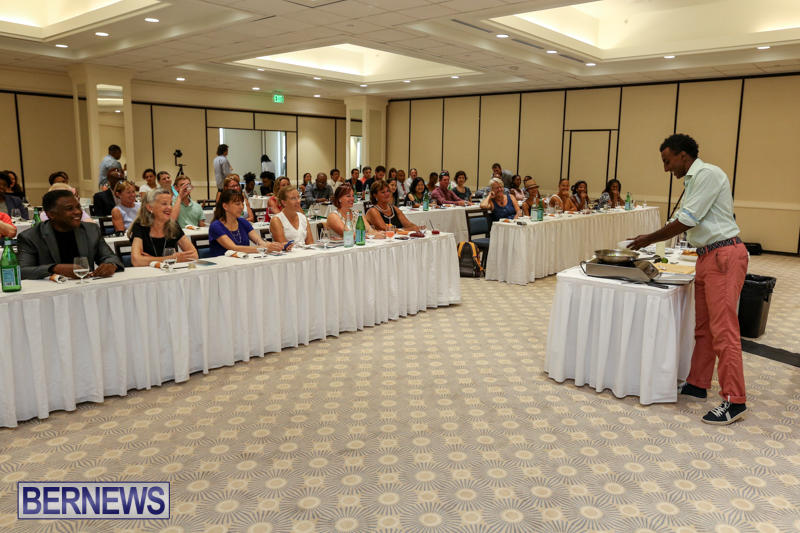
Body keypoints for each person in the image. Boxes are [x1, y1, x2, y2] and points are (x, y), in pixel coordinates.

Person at [628, 133, 749, 425]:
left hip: (724, 255)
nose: (666, 168)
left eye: (667, 161)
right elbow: (685, 219)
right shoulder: (692, 181)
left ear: (683, 155)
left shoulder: (708, 174)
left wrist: (649, 238)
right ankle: (698, 383)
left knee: (723, 330)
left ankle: (735, 400)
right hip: (707, 255)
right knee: (704, 328)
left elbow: (688, 219)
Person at [18, 190, 124, 279]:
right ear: (51, 214)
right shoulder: (30, 237)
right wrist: (55, 268)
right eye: (69, 209)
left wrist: (111, 265)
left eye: (78, 207)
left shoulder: (91, 230)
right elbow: (22, 271)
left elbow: (110, 257)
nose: (77, 212)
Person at [128, 189, 197, 267]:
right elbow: (136, 261)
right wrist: (172, 258)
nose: (170, 207)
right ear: (150, 207)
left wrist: (151, 259)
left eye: (171, 204)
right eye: (164, 204)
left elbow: (194, 255)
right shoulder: (140, 226)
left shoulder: (173, 225)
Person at [208, 189, 282, 257]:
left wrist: (271, 245)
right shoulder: (216, 226)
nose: (241, 207)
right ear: (225, 206)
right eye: (237, 204)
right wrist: (263, 248)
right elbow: (233, 248)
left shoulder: (243, 222)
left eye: (242, 204)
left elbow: (259, 241)